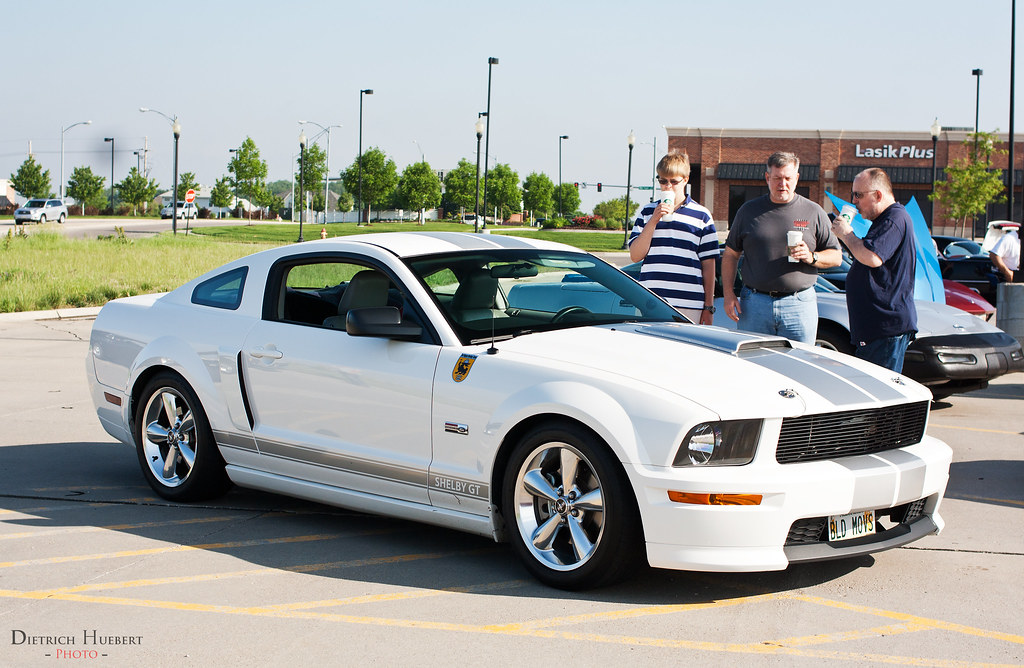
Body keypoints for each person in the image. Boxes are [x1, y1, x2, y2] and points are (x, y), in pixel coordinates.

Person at [721, 152, 842, 343]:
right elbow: (730, 255)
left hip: (799, 304)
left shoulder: (813, 211)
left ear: (797, 178)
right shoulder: (748, 211)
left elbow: (836, 257)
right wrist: (728, 294)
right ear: (767, 178)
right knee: (754, 366)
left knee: (800, 365)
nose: (782, 184)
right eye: (777, 178)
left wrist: (812, 257)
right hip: (754, 304)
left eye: (788, 178)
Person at [830, 168, 917, 372]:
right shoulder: (885, 220)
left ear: (878, 195)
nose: (854, 201)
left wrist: (847, 235)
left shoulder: (893, 218)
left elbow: (872, 257)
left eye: (859, 195)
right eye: (853, 194)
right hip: (877, 329)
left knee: (881, 397)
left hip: (885, 328)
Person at [628, 152, 718, 323]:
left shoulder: (702, 216)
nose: (667, 186)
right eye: (663, 181)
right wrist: (654, 220)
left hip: (690, 302)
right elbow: (635, 255)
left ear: (685, 180)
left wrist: (708, 307)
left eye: (673, 181)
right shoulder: (648, 212)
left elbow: (709, 265)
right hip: (651, 300)